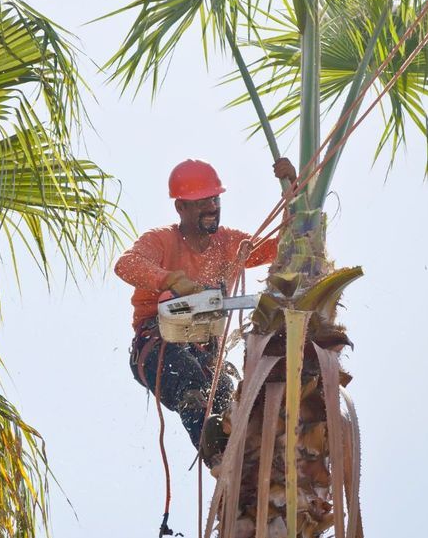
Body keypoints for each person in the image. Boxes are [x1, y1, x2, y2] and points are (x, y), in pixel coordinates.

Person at [114, 157, 297, 464]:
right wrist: (170, 280)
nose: (212, 207)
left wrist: (293, 190)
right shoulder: (162, 240)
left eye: (214, 199)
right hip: (158, 344)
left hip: (205, 353)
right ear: (180, 207)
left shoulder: (229, 243)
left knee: (230, 399)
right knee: (190, 384)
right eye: (201, 203)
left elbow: (283, 246)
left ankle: (248, 467)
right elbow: (126, 264)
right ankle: (220, 460)